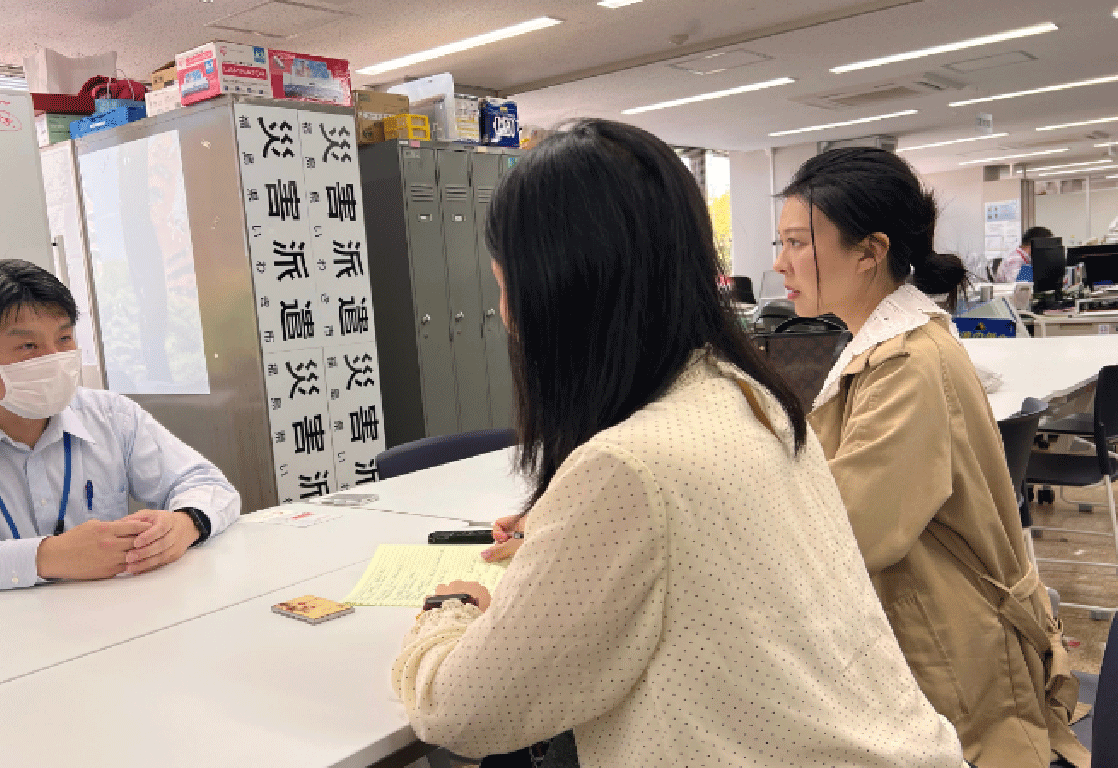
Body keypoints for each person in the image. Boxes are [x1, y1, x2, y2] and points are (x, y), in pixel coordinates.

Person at [391, 120, 965, 767]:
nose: (505, 315)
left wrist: (448, 610)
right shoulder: (751, 397)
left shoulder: (630, 466)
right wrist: (569, 530)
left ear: (555, 295)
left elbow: (460, 712)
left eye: (506, 287)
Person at [773, 149, 1086, 768]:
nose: (779, 263)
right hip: (937, 640)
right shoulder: (882, 346)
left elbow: (847, 531)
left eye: (795, 243)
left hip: (954, 663)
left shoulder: (910, 367)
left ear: (870, 251)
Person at [0, 259, 240, 603]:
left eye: (64, 339)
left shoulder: (109, 414)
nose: (55, 360)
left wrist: (187, 523)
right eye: (28, 347)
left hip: (108, 623)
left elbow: (207, 483)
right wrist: (46, 557)